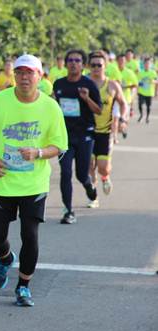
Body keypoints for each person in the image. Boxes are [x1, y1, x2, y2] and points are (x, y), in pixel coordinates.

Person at [0, 54, 67, 307]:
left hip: (33, 184)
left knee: (30, 235)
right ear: (14, 76)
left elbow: (60, 145)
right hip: (2, 182)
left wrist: (38, 153)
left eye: (30, 73)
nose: (25, 77)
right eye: (20, 73)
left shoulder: (50, 107)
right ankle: (6, 258)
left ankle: (23, 286)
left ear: (39, 76)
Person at [53, 49, 102, 224]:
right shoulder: (58, 84)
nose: (74, 63)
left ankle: (89, 186)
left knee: (82, 175)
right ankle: (68, 211)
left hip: (84, 135)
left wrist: (86, 99)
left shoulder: (88, 84)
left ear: (83, 65)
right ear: (66, 64)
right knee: (65, 173)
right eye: (71, 60)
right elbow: (53, 107)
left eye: (77, 60)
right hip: (64, 137)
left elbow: (99, 110)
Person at [87, 52, 128, 206]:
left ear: (105, 66)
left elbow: (123, 103)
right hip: (88, 130)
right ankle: (93, 196)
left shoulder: (112, 85)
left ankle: (105, 177)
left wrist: (123, 119)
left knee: (103, 168)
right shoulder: (84, 83)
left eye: (99, 64)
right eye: (93, 65)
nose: (96, 68)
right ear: (88, 66)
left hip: (105, 132)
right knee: (89, 165)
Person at [116, 54, 137, 136]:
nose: (121, 62)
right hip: (115, 98)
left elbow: (135, 84)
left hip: (126, 98)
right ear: (117, 61)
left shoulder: (129, 72)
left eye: (123, 61)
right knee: (116, 117)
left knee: (125, 117)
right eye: (120, 60)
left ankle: (123, 127)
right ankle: (116, 131)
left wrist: (126, 86)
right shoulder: (114, 71)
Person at [137, 57, 158, 124]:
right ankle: (141, 115)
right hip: (141, 92)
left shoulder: (153, 72)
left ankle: (147, 117)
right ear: (144, 64)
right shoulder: (141, 72)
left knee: (148, 106)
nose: (147, 65)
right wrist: (140, 83)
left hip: (149, 92)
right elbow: (138, 82)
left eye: (148, 63)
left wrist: (153, 81)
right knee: (140, 104)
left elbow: (156, 81)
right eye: (146, 63)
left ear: (150, 64)